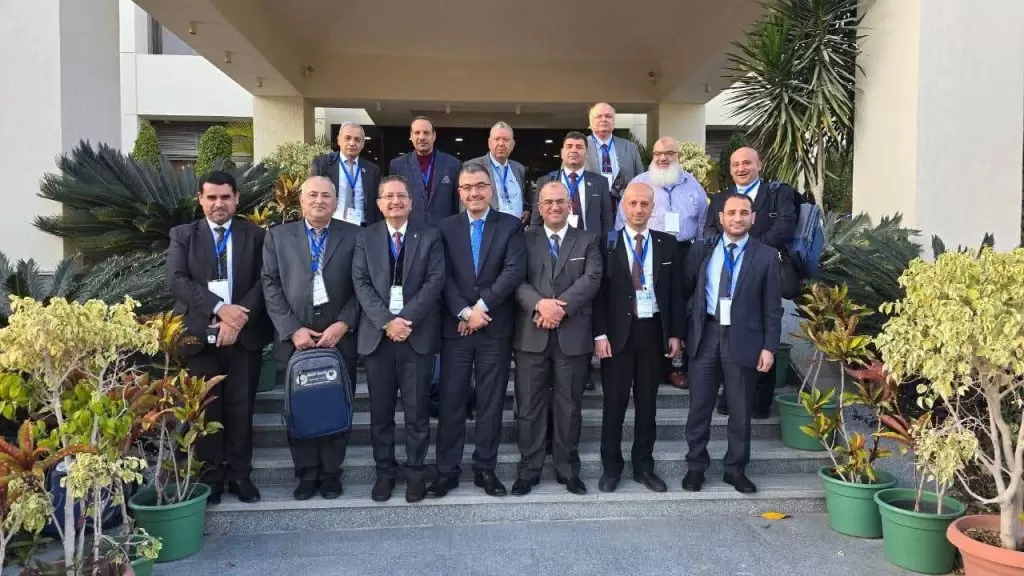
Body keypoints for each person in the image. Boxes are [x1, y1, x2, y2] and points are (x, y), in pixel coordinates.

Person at [166, 170, 272, 505]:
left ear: (237, 198)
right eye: (211, 197)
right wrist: (219, 309)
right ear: (200, 199)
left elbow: (265, 280)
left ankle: (240, 474)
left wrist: (236, 319)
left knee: (241, 407)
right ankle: (210, 475)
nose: (219, 203)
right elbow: (177, 280)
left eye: (225, 197)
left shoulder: (256, 235)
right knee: (207, 407)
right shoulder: (184, 235)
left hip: (244, 336)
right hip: (200, 336)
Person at [426, 164, 526, 499]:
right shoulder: (445, 228)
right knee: (451, 399)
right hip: (456, 327)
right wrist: (466, 312)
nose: (474, 192)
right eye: (467, 187)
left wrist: (480, 308)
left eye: (480, 185)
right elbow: (441, 276)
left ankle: (485, 468)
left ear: (491, 189)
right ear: (459, 192)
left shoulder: (510, 225)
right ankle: (447, 470)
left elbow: (513, 271)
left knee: (490, 400)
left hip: (494, 327)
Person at [262, 175, 361, 501]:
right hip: (297, 340)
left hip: (339, 339)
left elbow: (363, 284)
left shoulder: (354, 235)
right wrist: (292, 329)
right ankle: (306, 472)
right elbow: (270, 284)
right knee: (301, 407)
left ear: (335, 201)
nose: (319, 200)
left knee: (335, 404)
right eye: (313, 195)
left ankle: (331, 473)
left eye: (326, 196)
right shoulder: (278, 236)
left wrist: (343, 324)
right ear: (301, 200)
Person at [352, 175, 445, 503]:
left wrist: (405, 320)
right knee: (381, 414)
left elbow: (435, 281)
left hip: (415, 336)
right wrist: (387, 322)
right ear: (379, 204)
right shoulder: (365, 237)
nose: (395, 201)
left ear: (411, 202)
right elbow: (360, 282)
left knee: (417, 413)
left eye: (401, 196)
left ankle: (416, 473)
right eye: (388, 196)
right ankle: (385, 472)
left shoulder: (430, 236)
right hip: (378, 339)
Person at [682, 193, 782, 495]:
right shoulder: (703, 248)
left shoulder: (766, 256)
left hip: (744, 339)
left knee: (740, 410)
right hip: (706, 336)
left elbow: (772, 308)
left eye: (744, 213)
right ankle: (695, 467)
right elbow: (686, 290)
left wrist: (769, 347)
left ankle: (735, 469)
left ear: (753, 218)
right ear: (721, 218)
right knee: (699, 407)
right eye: (732, 213)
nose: (737, 218)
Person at [511, 181, 602, 496]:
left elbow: (592, 279)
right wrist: (540, 304)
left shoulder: (588, 240)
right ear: (539, 207)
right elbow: (515, 279)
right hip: (530, 334)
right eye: (547, 202)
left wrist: (558, 309)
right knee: (529, 406)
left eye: (560, 201)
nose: (554, 207)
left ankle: (567, 469)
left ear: (570, 205)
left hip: (572, 335)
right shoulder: (523, 239)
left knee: (569, 406)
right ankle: (529, 470)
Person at [593, 182, 684, 494]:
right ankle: (611, 468)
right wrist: (599, 334)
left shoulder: (667, 244)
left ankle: (644, 466)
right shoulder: (606, 243)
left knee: (648, 405)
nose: (638, 209)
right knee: (614, 404)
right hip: (616, 335)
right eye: (632, 203)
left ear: (652, 207)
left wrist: (675, 333)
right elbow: (598, 294)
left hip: (652, 331)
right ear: (623, 206)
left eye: (644, 204)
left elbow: (675, 292)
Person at [704, 146, 797, 418]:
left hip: (763, 272)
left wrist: (750, 251)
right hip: (727, 273)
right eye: (735, 164)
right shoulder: (719, 198)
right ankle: (728, 395)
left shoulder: (778, 193)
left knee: (763, 329)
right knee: (729, 333)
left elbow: (784, 228)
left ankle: (760, 401)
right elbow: (709, 230)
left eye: (747, 163)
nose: (741, 168)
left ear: (760, 165)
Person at [619, 136, 709, 390]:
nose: (662, 158)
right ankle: (650, 364)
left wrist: (698, 252)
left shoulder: (693, 185)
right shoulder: (639, 183)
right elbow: (621, 219)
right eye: (658, 153)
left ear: (679, 156)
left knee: (679, 306)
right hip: (646, 250)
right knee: (649, 305)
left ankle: (676, 366)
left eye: (669, 153)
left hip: (683, 251)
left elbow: (703, 222)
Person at [532, 131, 614, 238]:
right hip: (555, 243)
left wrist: (607, 247)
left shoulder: (600, 182)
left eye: (579, 147)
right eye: (569, 146)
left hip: (591, 244)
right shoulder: (545, 182)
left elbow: (607, 222)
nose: (573, 150)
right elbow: (536, 221)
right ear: (562, 153)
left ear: (586, 154)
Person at [387, 116, 463, 227]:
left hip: (444, 231)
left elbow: (457, 203)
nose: (421, 137)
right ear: (411, 136)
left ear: (434, 136)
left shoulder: (453, 164)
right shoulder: (397, 165)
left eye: (426, 133)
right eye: (417, 133)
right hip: (410, 230)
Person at [308, 121, 382, 226]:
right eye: (347, 138)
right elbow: (310, 194)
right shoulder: (323, 163)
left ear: (362, 144)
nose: (352, 143)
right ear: (339, 140)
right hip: (332, 225)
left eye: (357, 140)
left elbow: (376, 203)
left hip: (363, 226)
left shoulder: (372, 169)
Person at [464, 121, 531, 226]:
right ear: (489, 143)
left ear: (513, 144)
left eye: (506, 139)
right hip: (487, 229)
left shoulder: (519, 169)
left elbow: (524, 199)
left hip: (516, 230)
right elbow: (464, 202)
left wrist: (527, 210)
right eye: (497, 139)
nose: (501, 144)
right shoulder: (473, 166)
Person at [584, 102, 645, 202]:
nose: (604, 119)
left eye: (608, 116)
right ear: (591, 121)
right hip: (590, 204)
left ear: (614, 121)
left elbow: (641, 179)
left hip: (623, 204)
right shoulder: (578, 147)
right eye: (599, 116)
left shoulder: (630, 147)